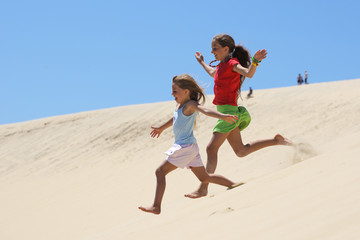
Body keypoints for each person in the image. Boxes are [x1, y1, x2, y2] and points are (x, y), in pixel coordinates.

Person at [186, 33, 291, 199]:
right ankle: (276, 140)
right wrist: (201, 62)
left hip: (228, 113)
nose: (212, 51)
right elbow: (212, 72)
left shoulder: (232, 63)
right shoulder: (221, 66)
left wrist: (256, 61)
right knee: (241, 151)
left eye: (215, 48)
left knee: (211, 148)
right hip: (226, 112)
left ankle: (203, 187)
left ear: (226, 49)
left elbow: (248, 73)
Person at [138, 74, 243, 215]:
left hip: (185, 147)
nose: (172, 93)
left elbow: (206, 110)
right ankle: (232, 184)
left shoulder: (190, 105)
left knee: (160, 172)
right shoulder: (180, 106)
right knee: (204, 177)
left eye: (175, 90)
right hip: (190, 147)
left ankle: (156, 206)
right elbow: (175, 118)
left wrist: (222, 116)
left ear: (186, 91)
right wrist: (162, 128)